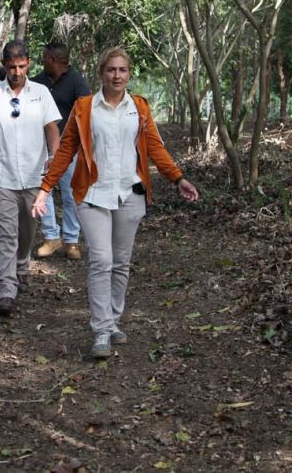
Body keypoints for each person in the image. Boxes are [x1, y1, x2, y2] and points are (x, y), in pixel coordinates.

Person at [33, 47, 200, 358]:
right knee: (101, 261)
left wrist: (178, 179)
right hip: (93, 195)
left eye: (122, 70)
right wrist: (45, 188)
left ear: (129, 73)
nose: (117, 75)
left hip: (129, 194)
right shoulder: (84, 108)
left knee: (120, 264)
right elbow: (66, 151)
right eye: (111, 70)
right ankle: (101, 331)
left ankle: (113, 321)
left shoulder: (138, 108)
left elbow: (154, 148)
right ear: (102, 73)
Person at [0, 40, 61, 316]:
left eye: (21, 66)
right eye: (11, 67)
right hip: (0, 177)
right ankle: (6, 289)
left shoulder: (41, 93)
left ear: (29, 63)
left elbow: (52, 127)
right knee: (5, 234)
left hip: (35, 178)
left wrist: (54, 157)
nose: (16, 72)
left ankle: (21, 267)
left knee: (27, 232)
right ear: (4, 67)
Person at [32, 42, 91, 261]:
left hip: (70, 149)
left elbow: (87, 111)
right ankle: (51, 237)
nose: (42, 60)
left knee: (70, 195)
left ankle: (72, 240)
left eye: (44, 57)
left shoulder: (76, 82)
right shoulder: (38, 81)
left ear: (53, 59)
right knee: (42, 192)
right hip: (42, 147)